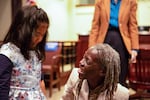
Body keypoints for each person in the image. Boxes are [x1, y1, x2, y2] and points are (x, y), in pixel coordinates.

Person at [0, 5, 49, 100]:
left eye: (43, 35)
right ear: (20, 29)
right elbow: (2, 88)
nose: (39, 39)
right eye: (37, 34)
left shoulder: (35, 52)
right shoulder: (8, 54)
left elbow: (40, 81)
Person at [89, 0, 139, 86]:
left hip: (122, 40)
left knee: (120, 72)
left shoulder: (131, 1)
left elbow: (132, 25)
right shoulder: (100, 1)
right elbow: (95, 26)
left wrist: (134, 48)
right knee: (102, 74)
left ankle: (119, 90)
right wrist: (91, 48)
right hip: (104, 40)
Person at [61, 43, 129, 100]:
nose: (81, 62)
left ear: (103, 71)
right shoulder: (74, 76)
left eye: (87, 61)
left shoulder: (121, 94)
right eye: (83, 57)